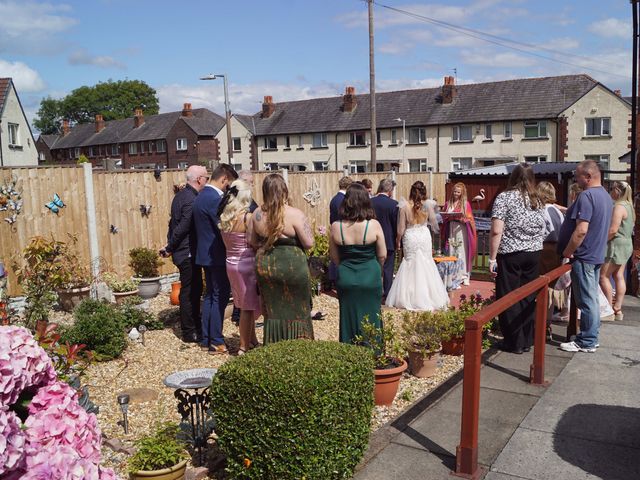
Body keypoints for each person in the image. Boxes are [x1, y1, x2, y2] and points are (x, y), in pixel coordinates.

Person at [251, 173, 315, 344]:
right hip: (292, 267)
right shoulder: (295, 214)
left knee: (273, 311)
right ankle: (300, 346)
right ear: (285, 191)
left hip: (267, 267)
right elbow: (309, 243)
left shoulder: (257, 214)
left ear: (264, 191)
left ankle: (274, 345)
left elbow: (252, 241)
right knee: (298, 310)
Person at [489, 163, 546, 354]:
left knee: (508, 296)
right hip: (534, 254)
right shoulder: (537, 199)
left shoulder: (504, 198)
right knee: (528, 297)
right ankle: (527, 339)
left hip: (511, 254)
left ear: (512, 177)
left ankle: (514, 342)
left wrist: (492, 258)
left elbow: (497, 230)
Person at [558, 160, 612, 353]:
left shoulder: (587, 196)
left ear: (588, 177)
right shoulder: (605, 196)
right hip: (595, 254)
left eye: (578, 175)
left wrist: (567, 251)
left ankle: (588, 341)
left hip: (585, 256)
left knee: (587, 301)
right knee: (591, 300)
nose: (575, 178)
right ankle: (590, 337)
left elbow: (581, 230)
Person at [329, 183, 386, 344]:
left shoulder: (336, 227)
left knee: (348, 316)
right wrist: (376, 269)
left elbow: (334, 257)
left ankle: (350, 353)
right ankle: (373, 352)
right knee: (372, 314)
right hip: (370, 273)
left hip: (346, 276)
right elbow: (382, 255)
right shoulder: (373, 225)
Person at [192, 164, 238, 354]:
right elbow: (224, 227)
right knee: (219, 296)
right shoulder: (214, 199)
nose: (228, 189)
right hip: (216, 255)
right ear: (224, 179)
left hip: (204, 254)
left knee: (211, 296)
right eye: (229, 185)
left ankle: (206, 338)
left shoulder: (201, 195)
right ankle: (216, 341)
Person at [161, 165, 207, 343]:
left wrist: (170, 245)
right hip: (187, 252)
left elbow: (172, 224)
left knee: (193, 290)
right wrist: (170, 247)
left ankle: (194, 326)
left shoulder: (181, 196)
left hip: (183, 251)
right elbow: (181, 227)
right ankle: (190, 332)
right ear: (199, 179)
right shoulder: (190, 199)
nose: (206, 181)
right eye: (206, 178)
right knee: (190, 292)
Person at [386, 181, 448, 311]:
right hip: (424, 235)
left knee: (410, 263)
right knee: (426, 263)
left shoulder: (404, 206)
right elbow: (433, 222)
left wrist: (398, 240)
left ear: (411, 191)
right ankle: (430, 296)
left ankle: (410, 297)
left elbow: (400, 229)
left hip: (411, 236)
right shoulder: (428, 205)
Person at [218, 179, 260, 355]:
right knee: (248, 307)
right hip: (246, 263)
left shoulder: (224, 217)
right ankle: (243, 347)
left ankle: (252, 340)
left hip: (231, 263)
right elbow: (253, 242)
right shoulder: (247, 217)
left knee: (242, 303)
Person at [599, 180, 634, 321]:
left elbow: (613, 230)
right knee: (618, 275)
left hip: (616, 245)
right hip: (626, 244)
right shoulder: (630, 206)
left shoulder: (619, 206)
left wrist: (601, 241)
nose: (610, 192)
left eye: (612, 189)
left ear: (618, 191)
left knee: (603, 276)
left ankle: (608, 309)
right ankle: (617, 308)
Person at [537, 181, 565, 340]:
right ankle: (546, 324)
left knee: (541, 288)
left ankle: (540, 325)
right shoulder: (558, 211)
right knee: (550, 290)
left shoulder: (542, 211)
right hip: (557, 251)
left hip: (544, 249)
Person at [441, 182, 477, 286]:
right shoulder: (448, 203)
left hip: (461, 228)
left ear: (462, 193)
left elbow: (470, 218)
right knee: (452, 250)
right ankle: (453, 275)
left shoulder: (465, 204)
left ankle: (464, 275)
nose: (456, 193)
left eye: (458, 192)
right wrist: (447, 216)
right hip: (451, 227)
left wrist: (463, 219)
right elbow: (444, 216)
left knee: (461, 250)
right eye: (455, 191)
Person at [370, 178, 398, 300]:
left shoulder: (370, 202)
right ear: (390, 190)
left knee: (373, 266)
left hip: (372, 239)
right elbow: (396, 224)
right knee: (388, 268)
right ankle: (387, 294)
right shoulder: (393, 204)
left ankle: (372, 291)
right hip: (388, 239)